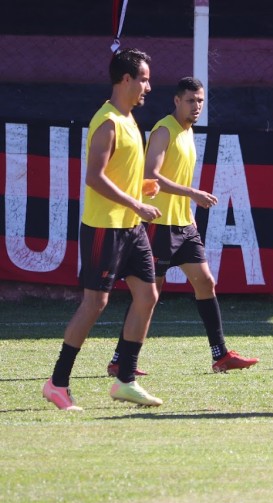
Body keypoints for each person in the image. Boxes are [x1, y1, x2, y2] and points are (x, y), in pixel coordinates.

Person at [106, 77, 258, 377]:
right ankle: (120, 360)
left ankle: (220, 355)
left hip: (184, 225)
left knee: (205, 282)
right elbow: (150, 175)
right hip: (159, 225)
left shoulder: (188, 132)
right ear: (176, 101)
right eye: (190, 100)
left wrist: (188, 209)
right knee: (148, 294)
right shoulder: (164, 130)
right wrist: (192, 193)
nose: (196, 106)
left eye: (200, 101)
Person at [43, 48, 163, 410]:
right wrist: (136, 204)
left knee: (148, 295)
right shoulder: (108, 121)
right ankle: (57, 383)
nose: (148, 86)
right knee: (95, 303)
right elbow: (94, 178)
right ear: (125, 79)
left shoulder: (129, 118)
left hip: (131, 226)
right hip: (105, 227)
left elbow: (117, 174)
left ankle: (125, 381)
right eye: (143, 79)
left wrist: (141, 189)